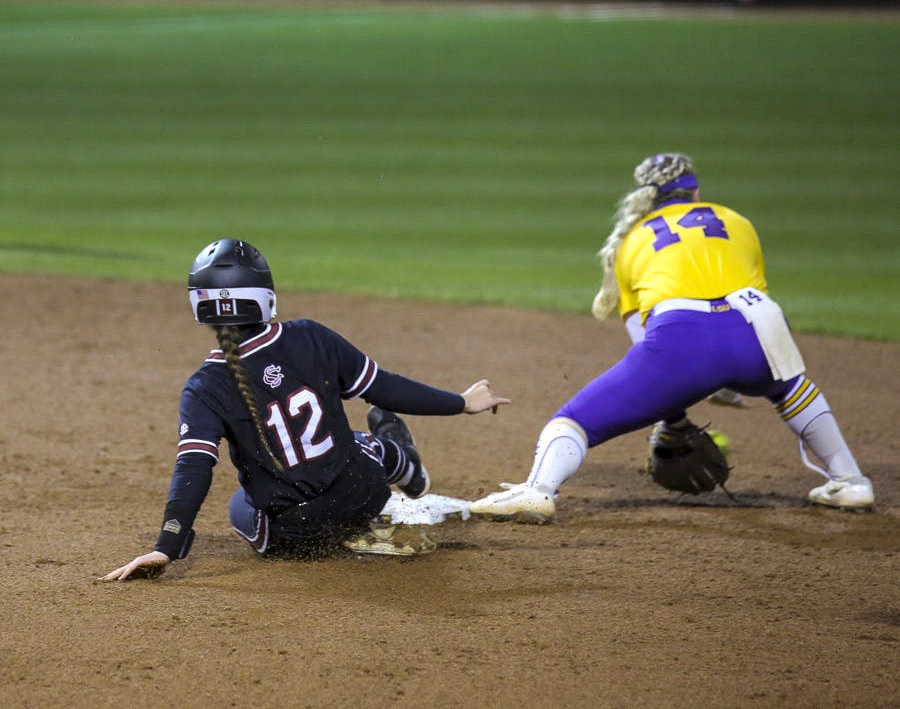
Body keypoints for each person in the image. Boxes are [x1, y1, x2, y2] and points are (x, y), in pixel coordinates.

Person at [470, 152, 874, 523]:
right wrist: (730, 381)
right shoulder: (736, 220)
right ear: (696, 191)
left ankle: (538, 490)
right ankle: (851, 481)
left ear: (645, 197)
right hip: (757, 323)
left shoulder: (631, 240)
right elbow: (748, 297)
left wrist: (674, 414)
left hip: (683, 336)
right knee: (790, 388)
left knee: (572, 422)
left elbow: (646, 343)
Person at [101, 238, 509, 580]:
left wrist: (165, 548)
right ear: (266, 297)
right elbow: (384, 389)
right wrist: (462, 403)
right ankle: (407, 471)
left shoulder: (203, 386)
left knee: (240, 503)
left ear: (200, 307)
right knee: (360, 445)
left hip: (294, 536)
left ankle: (367, 507)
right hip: (362, 494)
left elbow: (192, 470)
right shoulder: (311, 337)